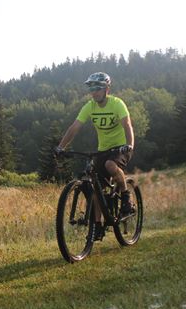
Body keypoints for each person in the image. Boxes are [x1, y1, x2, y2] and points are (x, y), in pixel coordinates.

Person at [54, 72, 135, 235]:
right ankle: (97, 226)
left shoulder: (117, 104)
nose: (94, 92)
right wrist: (60, 147)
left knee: (110, 165)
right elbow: (74, 127)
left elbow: (127, 125)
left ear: (107, 89)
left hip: (121, 148)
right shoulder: (90, 106)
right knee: (96, 186)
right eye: (92, 88)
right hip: (103, 150)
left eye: (98, 88)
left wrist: (129, 145)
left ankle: (126, 197)